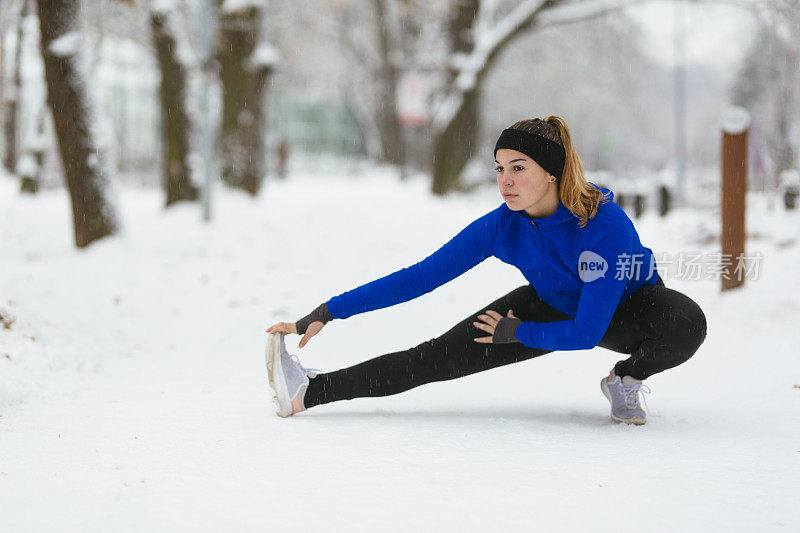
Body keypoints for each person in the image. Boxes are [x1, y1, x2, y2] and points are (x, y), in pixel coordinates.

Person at [266, 116, 707, 425]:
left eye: (519, 168)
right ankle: (308, 391)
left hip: (629, 310)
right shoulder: (503, 224)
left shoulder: (602, 225)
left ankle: (626, 379)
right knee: (434, 358)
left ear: (552, 173)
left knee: (686, 322)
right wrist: (329, 309)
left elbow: (588, 332)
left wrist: (518, 333)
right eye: (500, 168)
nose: (505, 181)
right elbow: (420, 277)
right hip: (552, 303)